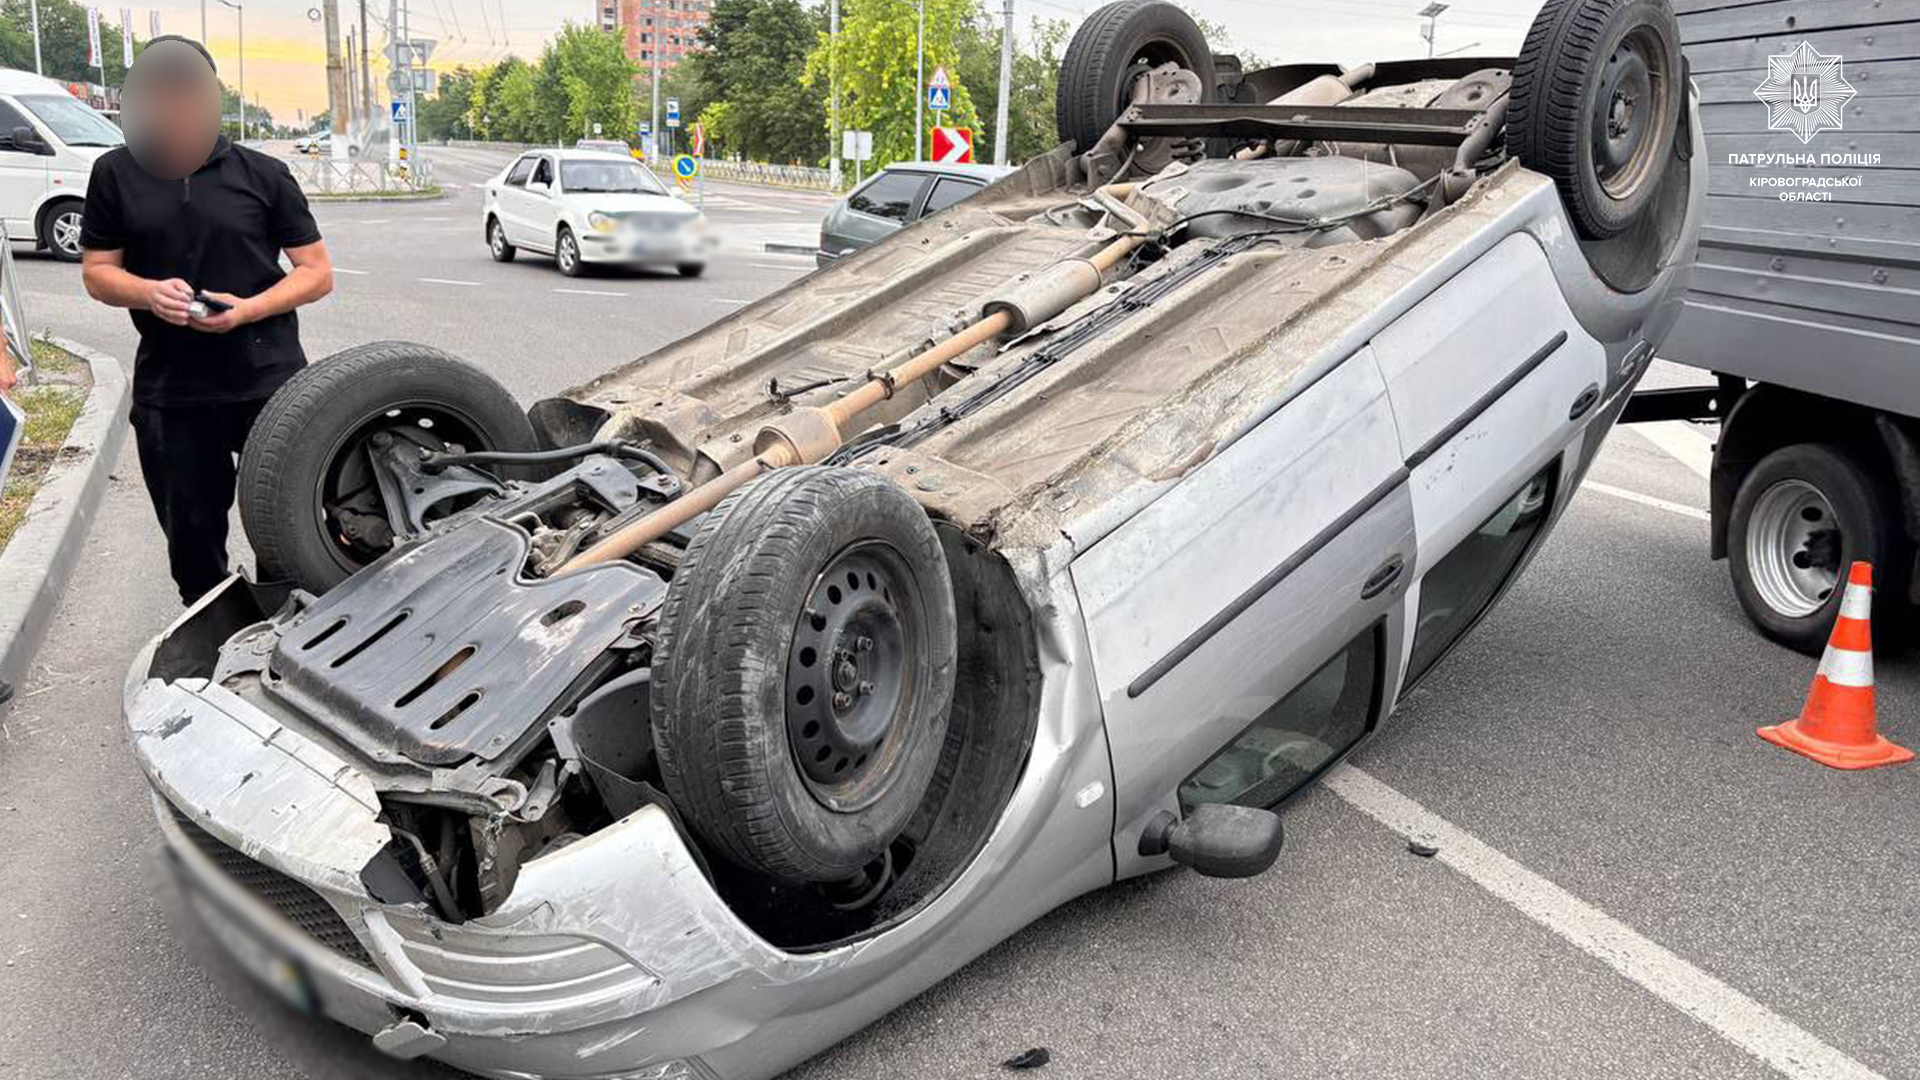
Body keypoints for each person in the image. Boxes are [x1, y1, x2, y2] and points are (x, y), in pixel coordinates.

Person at [79, 36, 333, 605]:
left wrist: (248, 309)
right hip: (173, 391)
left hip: (269, 381)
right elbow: (97, 273)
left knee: (291, 524)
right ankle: (217, 637)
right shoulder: (115, 174)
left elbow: (315, 272)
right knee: (192, 541)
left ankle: (288, 627)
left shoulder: (263, 174)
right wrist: (148, 292)